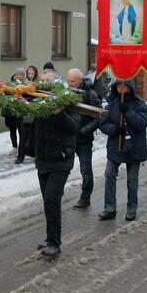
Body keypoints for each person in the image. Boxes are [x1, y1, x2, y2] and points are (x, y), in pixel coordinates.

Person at [33, 71, 80, 258]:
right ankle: (50, 237)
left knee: (52, 199)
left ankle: (54, 243)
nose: (44, 84)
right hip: (43, 159)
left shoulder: (68, 100)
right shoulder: (38, 101)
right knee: (48, 201)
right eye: (42, 81)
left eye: (48, 81)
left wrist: (58, 112)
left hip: (61, 159)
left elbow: (73, 127)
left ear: (57, 83)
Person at [98, 80, 147, 221]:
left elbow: (142, 123)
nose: (121, 88)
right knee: (109, 175)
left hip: (134, 148)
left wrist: (128, 112)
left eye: (124, 86)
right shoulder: (111, 104)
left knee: (132, 180)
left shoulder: (140, 105)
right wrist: (115, 129)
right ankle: (110, 208)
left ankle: (132, 208)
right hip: (115, 147)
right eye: (118, 86)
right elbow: (103, 124)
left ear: (130, 87)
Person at [67, 68, 101, 210]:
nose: (70, 83)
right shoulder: (66, 93)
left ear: (80, 81)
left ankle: (85, 198)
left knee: (85, 170)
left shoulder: (90, 94)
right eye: (68, 80)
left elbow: (98, 117)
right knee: (63, 168)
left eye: (73, 81)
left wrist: (83, 131)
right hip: (68, 138)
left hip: (84, 139)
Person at [3, 68, 26, 154]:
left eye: (21, 75)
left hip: (21, 111)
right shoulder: (10, 83)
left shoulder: (26, 84)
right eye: (17, 74)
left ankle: (21, 149)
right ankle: (14, 147)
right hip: (11, 111)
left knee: (21, 131)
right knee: (12, 130)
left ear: (24, 76)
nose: (19, 76)